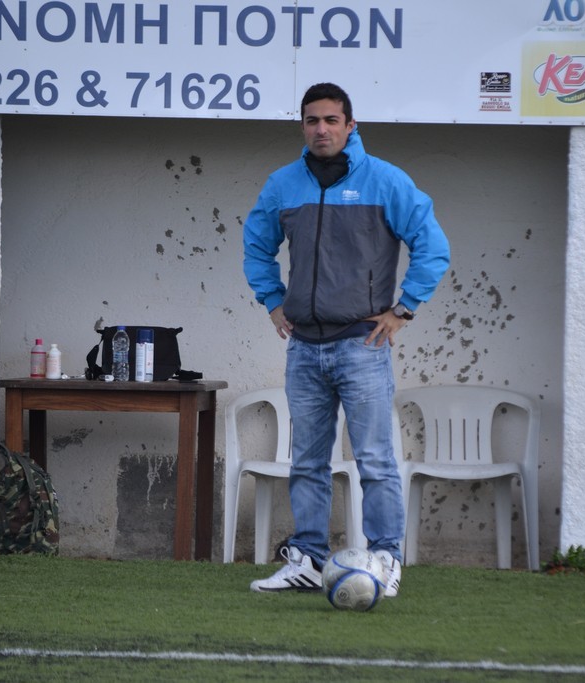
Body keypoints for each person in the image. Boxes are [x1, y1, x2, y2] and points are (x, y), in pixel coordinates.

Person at [242, 83, 450, 596]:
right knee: (307, 462)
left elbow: (432, 245)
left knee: (375, 461)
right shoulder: (283, 184)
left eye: (332, 120)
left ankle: (386, 559)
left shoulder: (385, 180)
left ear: (350, 125)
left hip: (363, 345)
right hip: (304, 348)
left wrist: (404, 309)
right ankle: (309, 561)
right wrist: (272, 300)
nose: (322, 129)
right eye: (312, 120)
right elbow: (256, 246)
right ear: (302, 126)